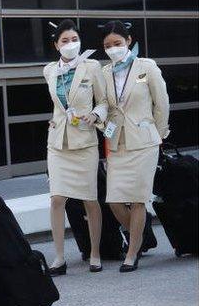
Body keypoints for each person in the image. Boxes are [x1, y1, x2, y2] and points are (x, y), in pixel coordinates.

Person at [99, 20, 170, 273]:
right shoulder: (104, 72)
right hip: (117, 142)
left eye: (117, 43)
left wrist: (158, 135)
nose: (113, 49)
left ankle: (132, 253)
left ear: (128, 41)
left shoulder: (146, 66)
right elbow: (105, 106)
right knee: (115, 201)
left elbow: (162, 104)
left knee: (138, 200)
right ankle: (140, 233)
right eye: (108, 45)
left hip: (144, 142)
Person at [42, 19, 109, 274]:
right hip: (58, 142)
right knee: (57, 199)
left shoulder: (91, 66)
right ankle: (59, 258)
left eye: (74, 40)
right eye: (65, 41)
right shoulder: (49, 70)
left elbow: (103, 102)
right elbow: (57, 105)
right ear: (56, 45)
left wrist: (95, 114)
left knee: (90, 200)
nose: (70, 44)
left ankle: (94, 253)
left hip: (84, 141)